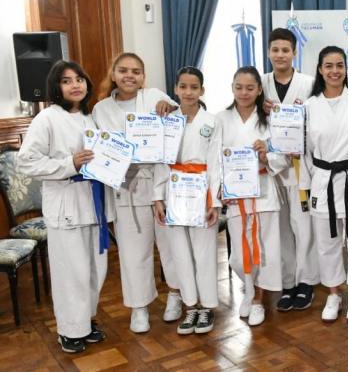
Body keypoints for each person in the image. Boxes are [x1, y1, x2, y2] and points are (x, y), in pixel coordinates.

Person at [18, 61, 107, 353]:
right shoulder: (47, 118)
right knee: (71, 271)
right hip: (66, 204)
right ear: (56, 87)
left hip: (93, 203)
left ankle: (86, 322)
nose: (75, 85)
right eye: (67, 81)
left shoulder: (90, 118)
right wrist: (70, 163)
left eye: (79, 78)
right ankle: (69, 330)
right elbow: (26, 162)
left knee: (95, 268)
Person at [92, 52, 180, 333]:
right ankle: (139, 307)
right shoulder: (101, 109)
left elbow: (179, 123)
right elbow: (98, 149)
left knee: (170, 245)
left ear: (143, 77)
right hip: (126, 187)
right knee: (133, 251)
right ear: (113, 74)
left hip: (160, 182)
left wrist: (170, 107)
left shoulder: (155, 96)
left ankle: (176, 295)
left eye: (136, 71)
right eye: (124, 70)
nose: (130, 75)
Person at [300, 46, 348, 322]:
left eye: (339, 65)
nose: (334, 71)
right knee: (327, 242)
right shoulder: (309, 107)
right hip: (324, 179)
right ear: (320, 70)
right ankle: (333, 293)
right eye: (328, 65)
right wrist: (311, 182)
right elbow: (305, 150)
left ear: (346, 69)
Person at [217, 66, 289, 326]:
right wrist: (219, 188)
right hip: (236, 194)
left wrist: (265, 155)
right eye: (239, 87)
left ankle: (258, 298)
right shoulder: (221, 119)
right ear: (232, 88)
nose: (244, 92)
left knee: (266, 247)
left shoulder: (270, 119)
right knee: (239, 253)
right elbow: (214, 159)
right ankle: (248, 287)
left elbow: (283, 157)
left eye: (250, 88)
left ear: (259, 90)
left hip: (264, 190)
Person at [152, 67, 222, 335]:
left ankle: (206, 307)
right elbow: (162, 161)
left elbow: (216, 163)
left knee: (203, 253)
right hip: (174, 192)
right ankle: (190, 306)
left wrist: (214, 201)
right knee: (180, 252)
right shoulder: (168, 122)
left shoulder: (212, 122)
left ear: (202, 91)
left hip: (201, 191)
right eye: (184, 87)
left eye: (194, 87)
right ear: (176, 89)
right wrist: (158, 197)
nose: (189, 92)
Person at [261, 28, 320, 311]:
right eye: (276, 50)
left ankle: (307, 281)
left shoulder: (308, 84)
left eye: (286, 50)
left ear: (294, 53)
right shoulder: (260, 84)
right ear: (269, 52)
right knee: (281, 229)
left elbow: (317, 122)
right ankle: (288, 283)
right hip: (272, 169)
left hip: (299, 167)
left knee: (304, 226)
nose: (280, 55)